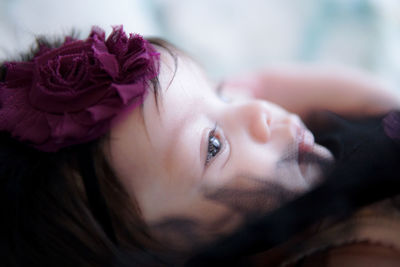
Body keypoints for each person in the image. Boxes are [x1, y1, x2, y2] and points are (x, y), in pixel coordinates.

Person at [1, 25, 400, 267]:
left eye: (222, 93)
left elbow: (363, 102)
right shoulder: (348, 250)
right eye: (213, 146)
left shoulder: (297, 161)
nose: (258, 111)